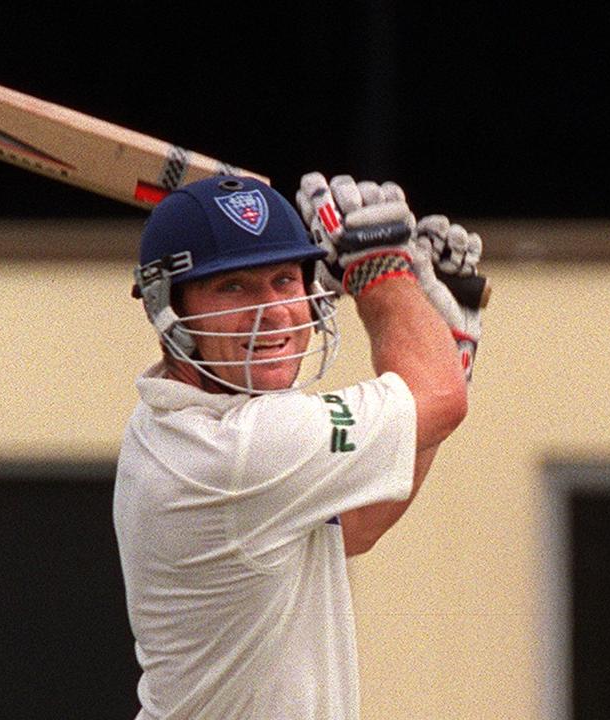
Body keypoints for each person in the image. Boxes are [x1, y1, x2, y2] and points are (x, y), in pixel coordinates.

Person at [114, 172, 484, 719]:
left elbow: (356, 524)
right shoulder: (236, 450)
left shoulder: (173, 421)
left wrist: (435, 339)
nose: (275, 311)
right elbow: (439, 400)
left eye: (285, 279)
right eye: (233, 286)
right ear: (169, 311)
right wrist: (379, 269)